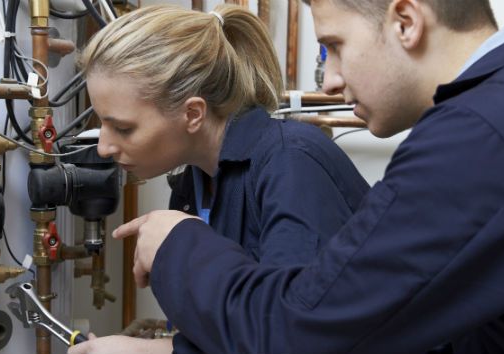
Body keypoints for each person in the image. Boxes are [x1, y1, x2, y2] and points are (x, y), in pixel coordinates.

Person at [111, 0, 504, 353]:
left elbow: (299, 334)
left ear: (406, 22)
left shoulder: (482, 134)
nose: (330, 81)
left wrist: (177, 244)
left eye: (335, 45)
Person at [69, 3, 369, 354]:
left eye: (123, 127)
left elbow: (293, 340)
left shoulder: (292, 164)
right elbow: (228, 335)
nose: (104, 147)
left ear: (193, 113)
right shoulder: (192, 186)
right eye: (101, 123)